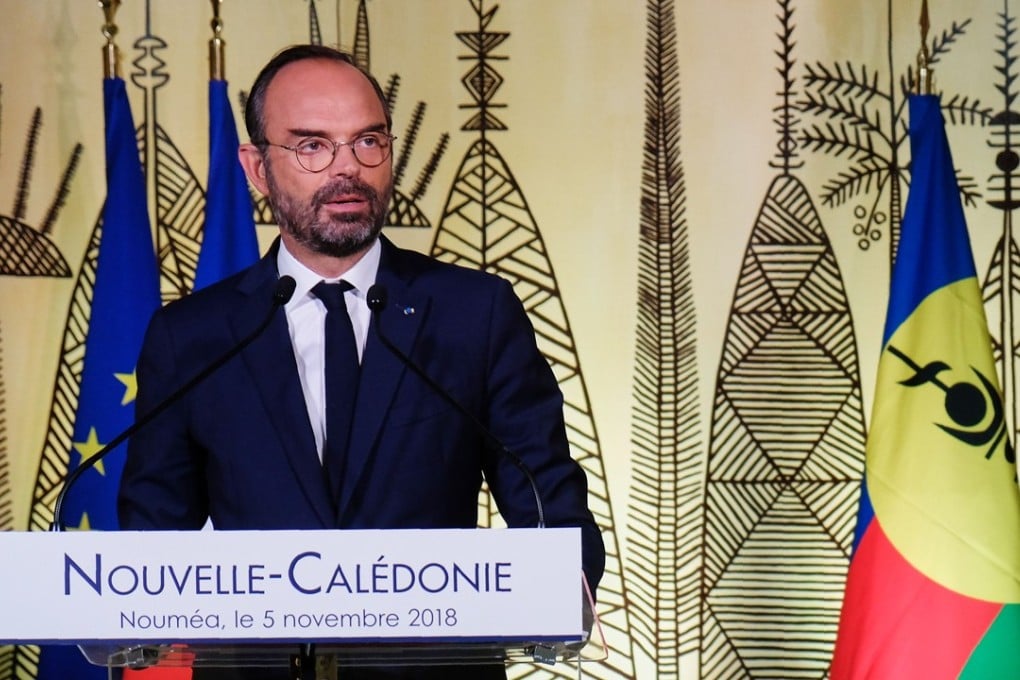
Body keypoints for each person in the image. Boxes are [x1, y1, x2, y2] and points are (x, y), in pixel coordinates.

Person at [117, 44, 605, 679]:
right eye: (312, 146)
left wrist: (565, 586)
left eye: (367, 143)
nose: (347, 170)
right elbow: (153, 542)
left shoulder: (473, 314)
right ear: (257, 168)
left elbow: (548, 501)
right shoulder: (195, 338)